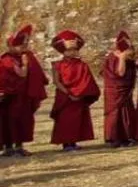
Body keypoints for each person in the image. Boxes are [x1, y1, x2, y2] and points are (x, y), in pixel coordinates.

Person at [0, 24, 47, 156]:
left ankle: (19, 146)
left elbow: (37, 73)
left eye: (25, 46)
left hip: (24, 96)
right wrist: (26, 64)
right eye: (20, 46)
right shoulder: (7, 59)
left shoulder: (26, 55)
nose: (23, 49)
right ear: (10, 46)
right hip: (10, 97)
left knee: (23, 120)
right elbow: (22, 74)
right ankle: (8, 148)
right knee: (9, 121)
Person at [49, 30, 99, 151]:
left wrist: (80, 93)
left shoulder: (82, 65)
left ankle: (74, 142)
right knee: (65, 120)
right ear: (63, 51)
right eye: (69, 50)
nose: (72, 52)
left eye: (75, 49)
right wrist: (68, 93)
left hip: (79, 96)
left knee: (76, 120)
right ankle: (66, 143)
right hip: (65, 96)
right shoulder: (57, 65)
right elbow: (56, 81)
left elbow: (87, 80)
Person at [102, 32, 137, 147]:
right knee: (114, 114)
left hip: (125, 91)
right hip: (114, 90)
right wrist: (121, 58)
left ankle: (126, 137)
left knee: (126, 113)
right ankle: (112, 138)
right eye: (129, 50)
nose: (131, 53)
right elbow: (120, 73)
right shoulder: (111, 59)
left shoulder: (130, 61)